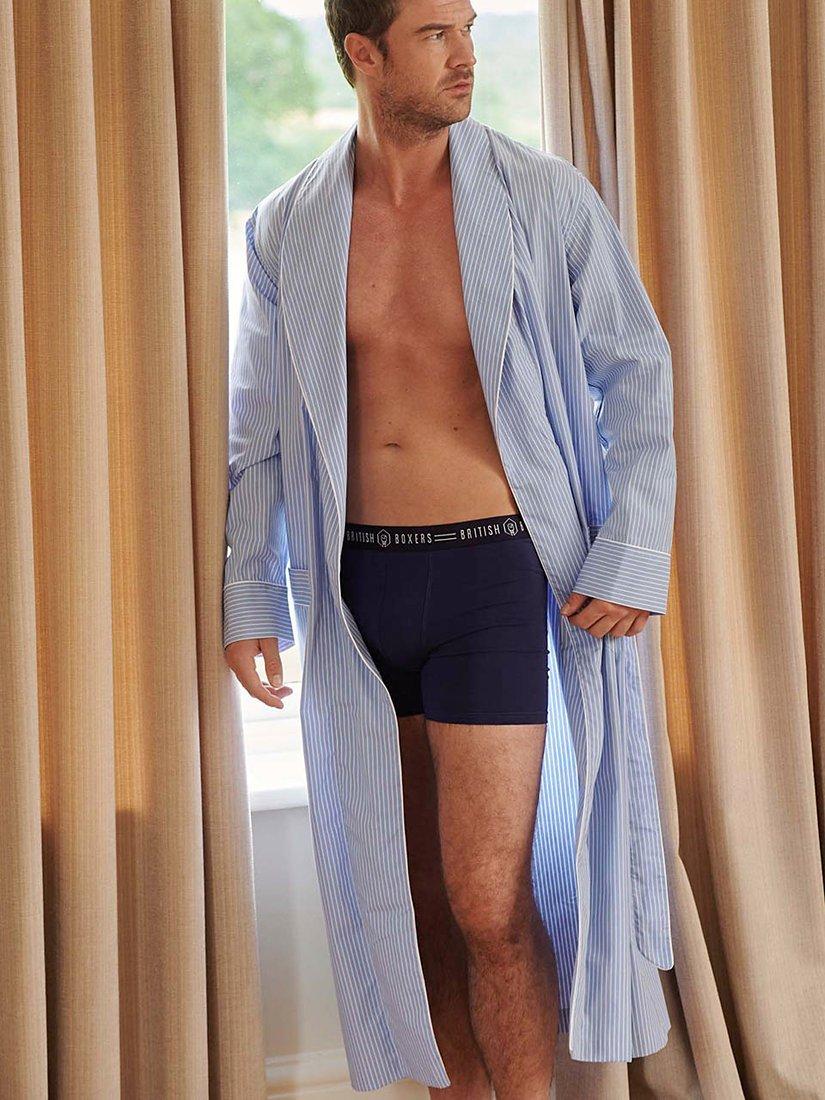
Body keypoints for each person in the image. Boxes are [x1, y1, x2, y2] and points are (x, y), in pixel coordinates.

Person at [223, 0, 676, 1093]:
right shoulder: (286, 226)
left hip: (489, 575)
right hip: (354, 591)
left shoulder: (541, 196)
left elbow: (637, 372)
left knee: (485, 900)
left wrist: (632, 547)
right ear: (363, 53)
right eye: (434, 34)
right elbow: (261, 430)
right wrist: (250, 594)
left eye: (467, 26)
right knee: (410, 898)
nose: (465, 53)